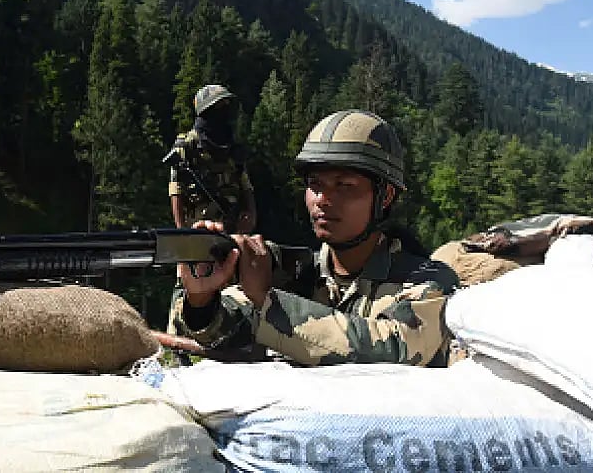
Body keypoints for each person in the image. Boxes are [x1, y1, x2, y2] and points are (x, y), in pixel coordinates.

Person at [168, 109, 459, 367]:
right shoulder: (297, 271)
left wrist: (266, 301)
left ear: (386, 196)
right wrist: (201, 300)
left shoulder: (427, 282)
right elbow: (226, 329)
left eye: (344, 185)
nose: (323, 199)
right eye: (314, 185)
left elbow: (393, 349)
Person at [167, 84, 257, 234]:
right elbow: (176, 191)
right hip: (198, 230)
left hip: (233, 230)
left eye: (227, 107)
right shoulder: (187, 146)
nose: (224, 113)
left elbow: (245, 185)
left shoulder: (232, 147)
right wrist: (183, 233)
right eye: (219, 107)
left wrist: (251, 217)